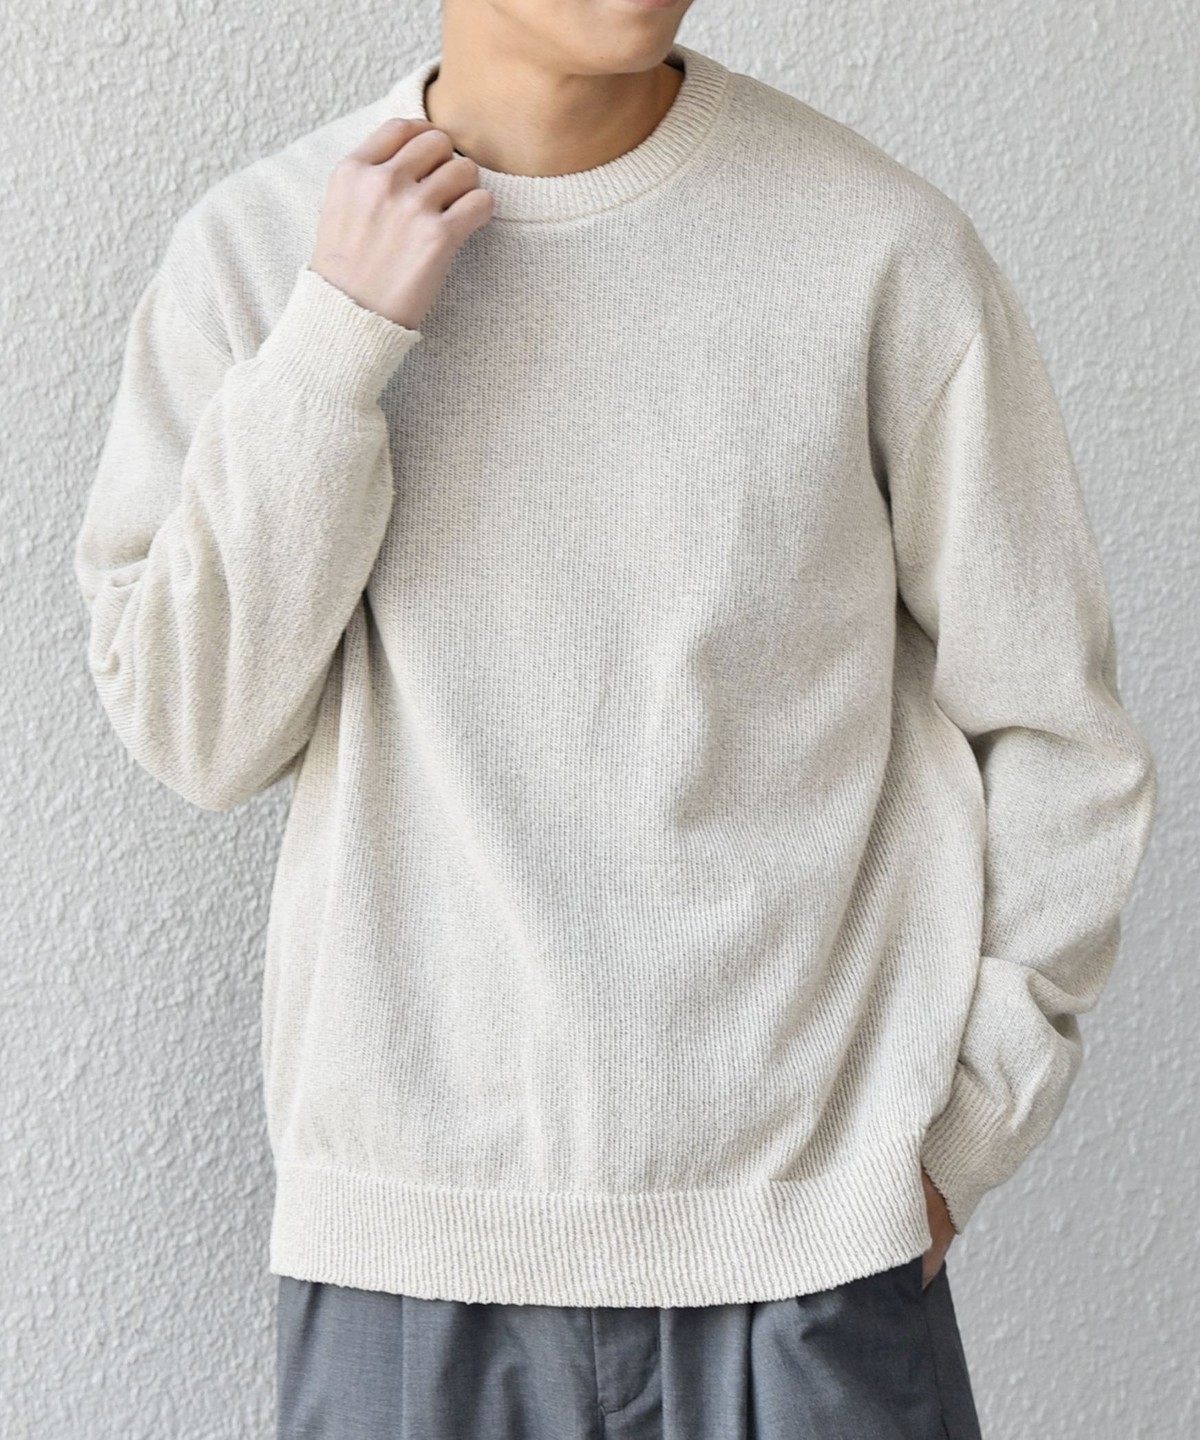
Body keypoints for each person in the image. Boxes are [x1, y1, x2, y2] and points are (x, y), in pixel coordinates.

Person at [72, 1, 1157, 1436]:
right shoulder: (261, 251)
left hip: (815, 1254)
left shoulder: (879, 249)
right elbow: (197, 733)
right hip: (411, 1259)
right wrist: (336, 340)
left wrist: (965, 1130)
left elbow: (1057, 732)